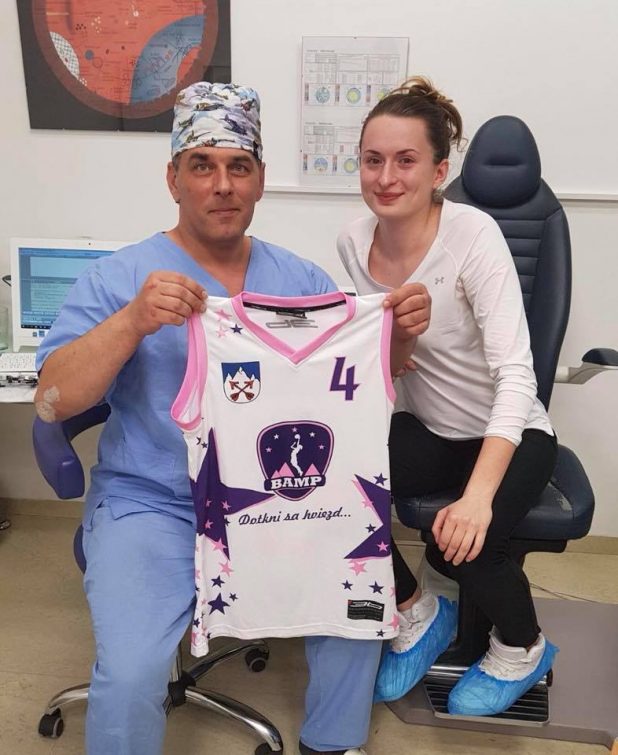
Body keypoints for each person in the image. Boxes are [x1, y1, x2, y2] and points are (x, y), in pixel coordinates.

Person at [34, 81, 429, 755]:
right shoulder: (120, 279)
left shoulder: (300, 282)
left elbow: (358, 386)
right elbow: (53, 397)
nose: (222, 184)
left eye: (239, 166)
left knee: (359, 602)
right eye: (202, 165)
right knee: (130, 673)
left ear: (260, 180)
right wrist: (132, 322)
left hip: (281, 500)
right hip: (154, 502)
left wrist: (400, 336)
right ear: (174, 179)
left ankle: (334, 742)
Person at [337, 76, 559, 716]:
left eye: (405, 160)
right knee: (328, 492)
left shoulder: (473, 235)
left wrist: (478, 498)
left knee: (467, 544)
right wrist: (400, 342)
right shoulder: (352, 242)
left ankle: (523, 646)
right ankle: (416, 611)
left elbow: (517, 375)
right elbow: (385, 366)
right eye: (373, 160)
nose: (386, 177)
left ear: (439, 171)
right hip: (430, 427)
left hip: (512, 433)